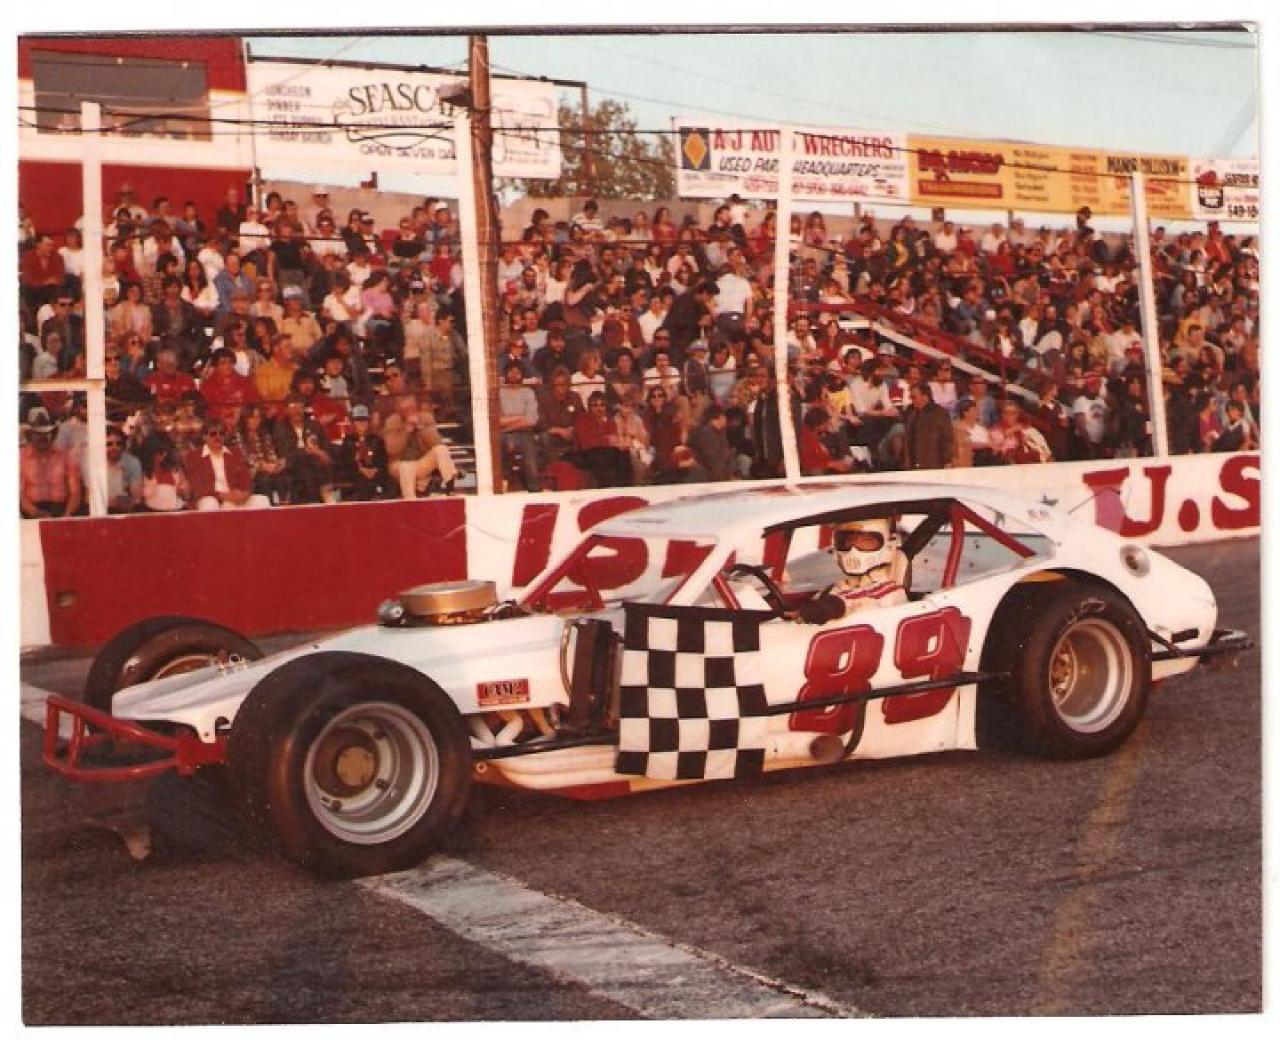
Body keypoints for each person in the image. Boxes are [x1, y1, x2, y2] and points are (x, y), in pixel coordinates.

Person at [798, 518, 909, 623]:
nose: (854, 548)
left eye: (866, 540)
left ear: (889, 544)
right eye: (849, 540)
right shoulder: (839, 585)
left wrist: (833, 606)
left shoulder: (892, 592)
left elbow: (863, 598)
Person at [381, 394, 459, 498]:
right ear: (399, 411)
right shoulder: (392, 421)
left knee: (441, 449)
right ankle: (410, 499)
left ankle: (450, 487)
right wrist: (406, 432)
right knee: (406, 467)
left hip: (421, 462)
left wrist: (421, 428)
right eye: (405, 410)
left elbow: (436, 442)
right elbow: (391, 449)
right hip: (399, 463)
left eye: (412, 408)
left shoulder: (426, 418)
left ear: (416, 408)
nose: (409, 412)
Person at [184, 421, 271, 510]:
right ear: (205, 437)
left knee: (262, 500)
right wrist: (222, 495)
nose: (218, 437)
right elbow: (198, 487)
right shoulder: (194, 457)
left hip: (234, 498)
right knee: (210, 503)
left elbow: (247, 479)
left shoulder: (235, 453)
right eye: (213, 434)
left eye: (221, 434)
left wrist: (244, 494)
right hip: (212, 498)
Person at [19, 408, 81, 518]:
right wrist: (35, 513)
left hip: (61, 510)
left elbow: (75, 492)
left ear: (53, 434)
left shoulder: (66, 457)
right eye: (38, 433)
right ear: (30, 435)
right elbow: (19, 494)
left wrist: (67, 514)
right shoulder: (20, 458)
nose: (43, 436)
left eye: (47, 432)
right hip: (30, 512)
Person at [498, 360, 543, 492]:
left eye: (517, 372)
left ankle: (534, 490)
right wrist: (520, 417)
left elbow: (531, 420)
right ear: (506, 374)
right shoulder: (499, 393)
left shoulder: (528, 392)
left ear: (522, 375)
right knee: (502, 447)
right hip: (504, 434)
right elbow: (497, 421)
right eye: (511, 372)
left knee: (530, 460)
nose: (514, 375)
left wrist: (508, 425)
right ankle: (502, 488)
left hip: (525, 433)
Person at [335, 404, 393, 500]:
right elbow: (344, 464)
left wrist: (375, 470)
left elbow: (383, 461)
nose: (362, 423)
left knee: (390, 485)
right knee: (361, 485)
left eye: (364, 420)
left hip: (376, 475)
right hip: (355, 476)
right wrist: (360, 469)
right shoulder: (348, 441)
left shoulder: (377, 440)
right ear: (353, 423)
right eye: (358, 421)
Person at [902, 382, 954, 471]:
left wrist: (947, 461)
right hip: (913, 464)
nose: (912, 400)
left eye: (914, 397)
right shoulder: (910, 412)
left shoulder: (940, 414)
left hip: (934, 463)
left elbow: (947, 439)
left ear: (925, 397)